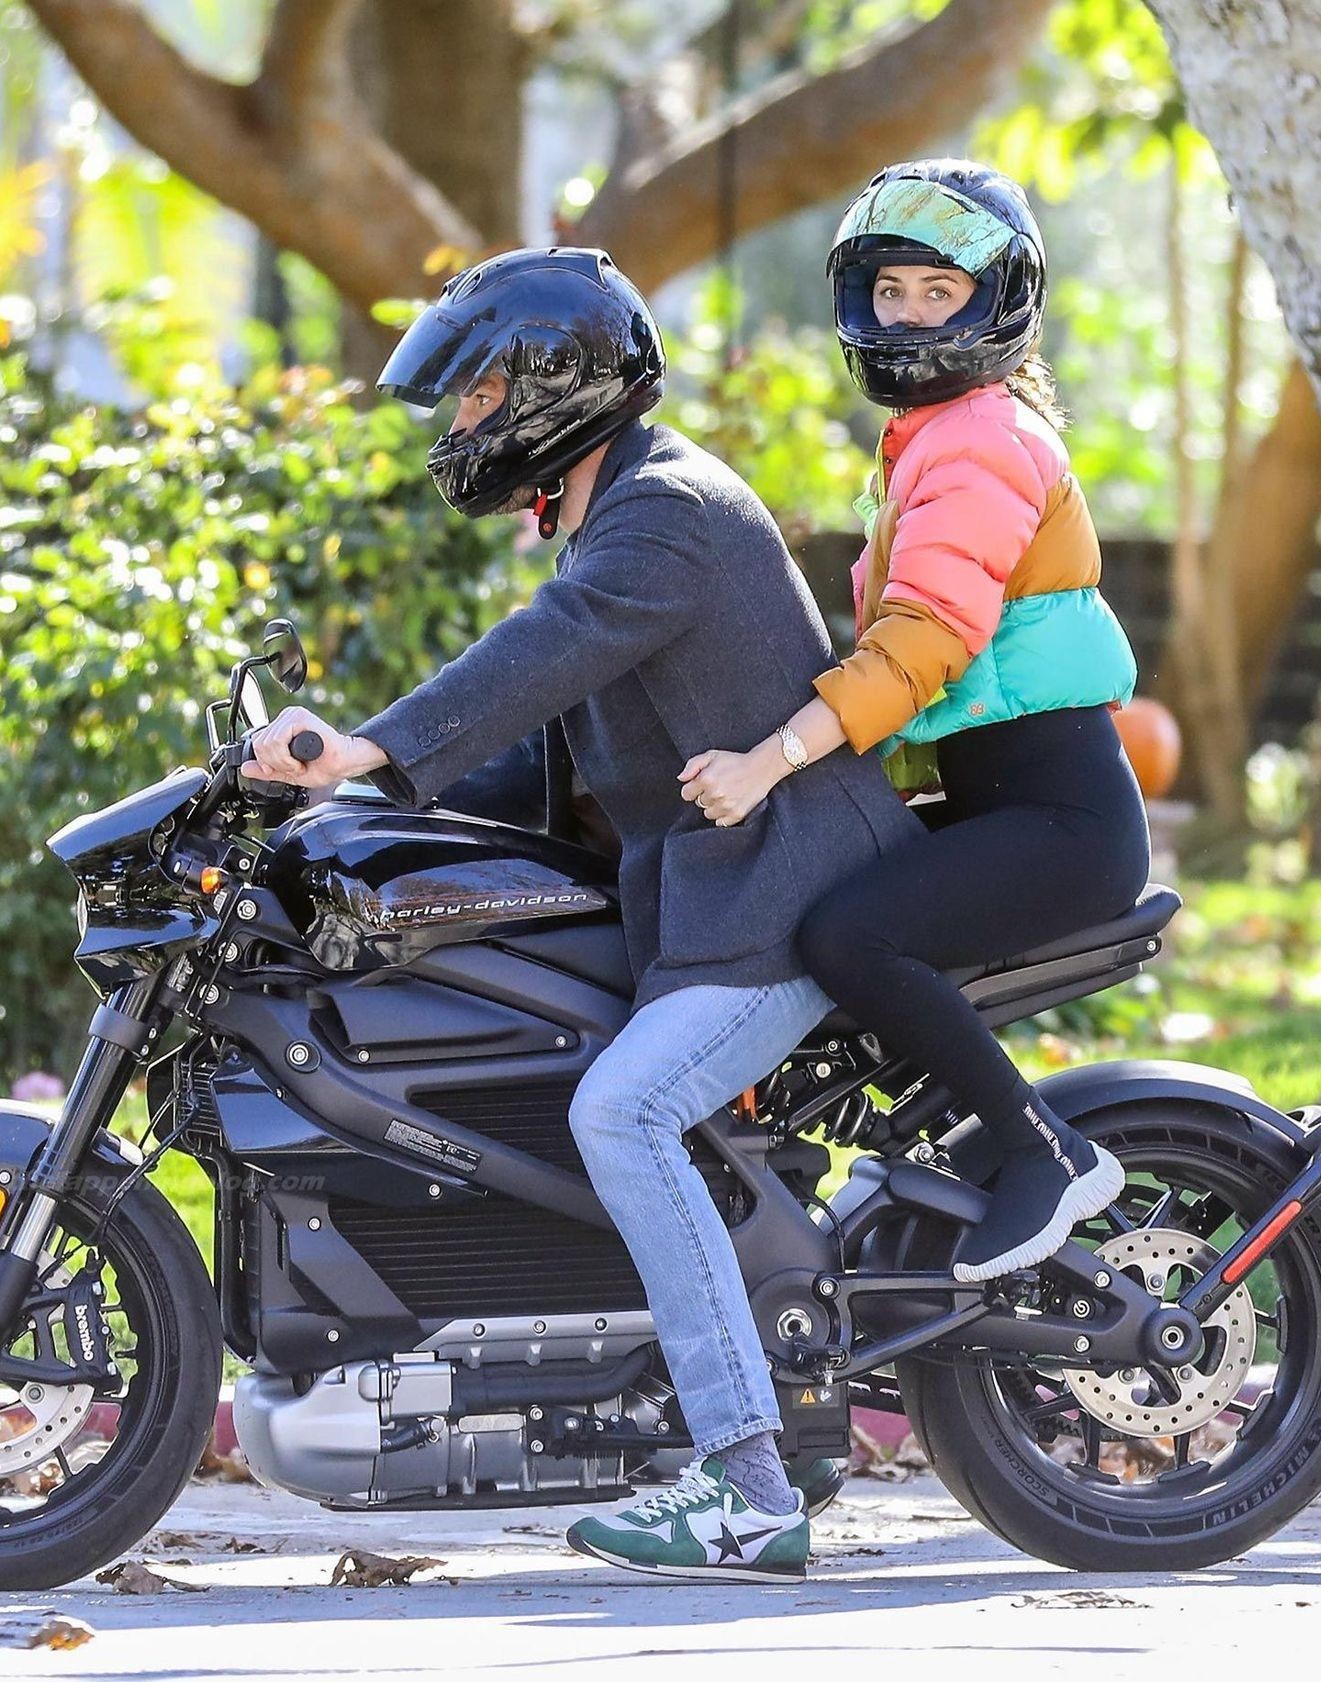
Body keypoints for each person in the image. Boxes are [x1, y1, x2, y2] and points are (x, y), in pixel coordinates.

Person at [243, 246, 911, 1581]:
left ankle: (746, 1486)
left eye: (481, 393)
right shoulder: (619, 514)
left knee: (624, 1111)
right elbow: (551, 747)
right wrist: (353, 810)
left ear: (559, 385)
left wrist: (370, 744)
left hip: (783, 888)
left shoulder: (664, 514)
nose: (463, 422)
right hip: (713, 894)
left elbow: (538, 654)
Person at [680, 159, 1150, 1284]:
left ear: (998, 303)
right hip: (1006, 801)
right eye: (889, 291)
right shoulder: (938, 437)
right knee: (814, 885)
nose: (907, 316)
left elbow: (926, 639)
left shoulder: (982, 443)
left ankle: (1046, 1154)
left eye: (939, 292)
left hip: (1061, 821)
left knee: (850, 935)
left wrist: (771, 759)